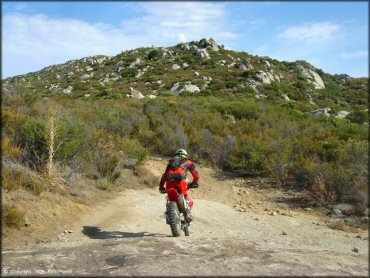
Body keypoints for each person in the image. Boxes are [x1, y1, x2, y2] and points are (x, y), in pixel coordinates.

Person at [159, 149, 199, 222]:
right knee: (185, 196)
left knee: (169, 198)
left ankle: (168, 213)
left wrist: (161, 187)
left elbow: (165, 175)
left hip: (169, 182)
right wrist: (194, 182)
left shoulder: (171, 162)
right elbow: (195, 175)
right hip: (181, 181)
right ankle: (187, 214)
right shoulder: (188, 162)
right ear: (185, 155)